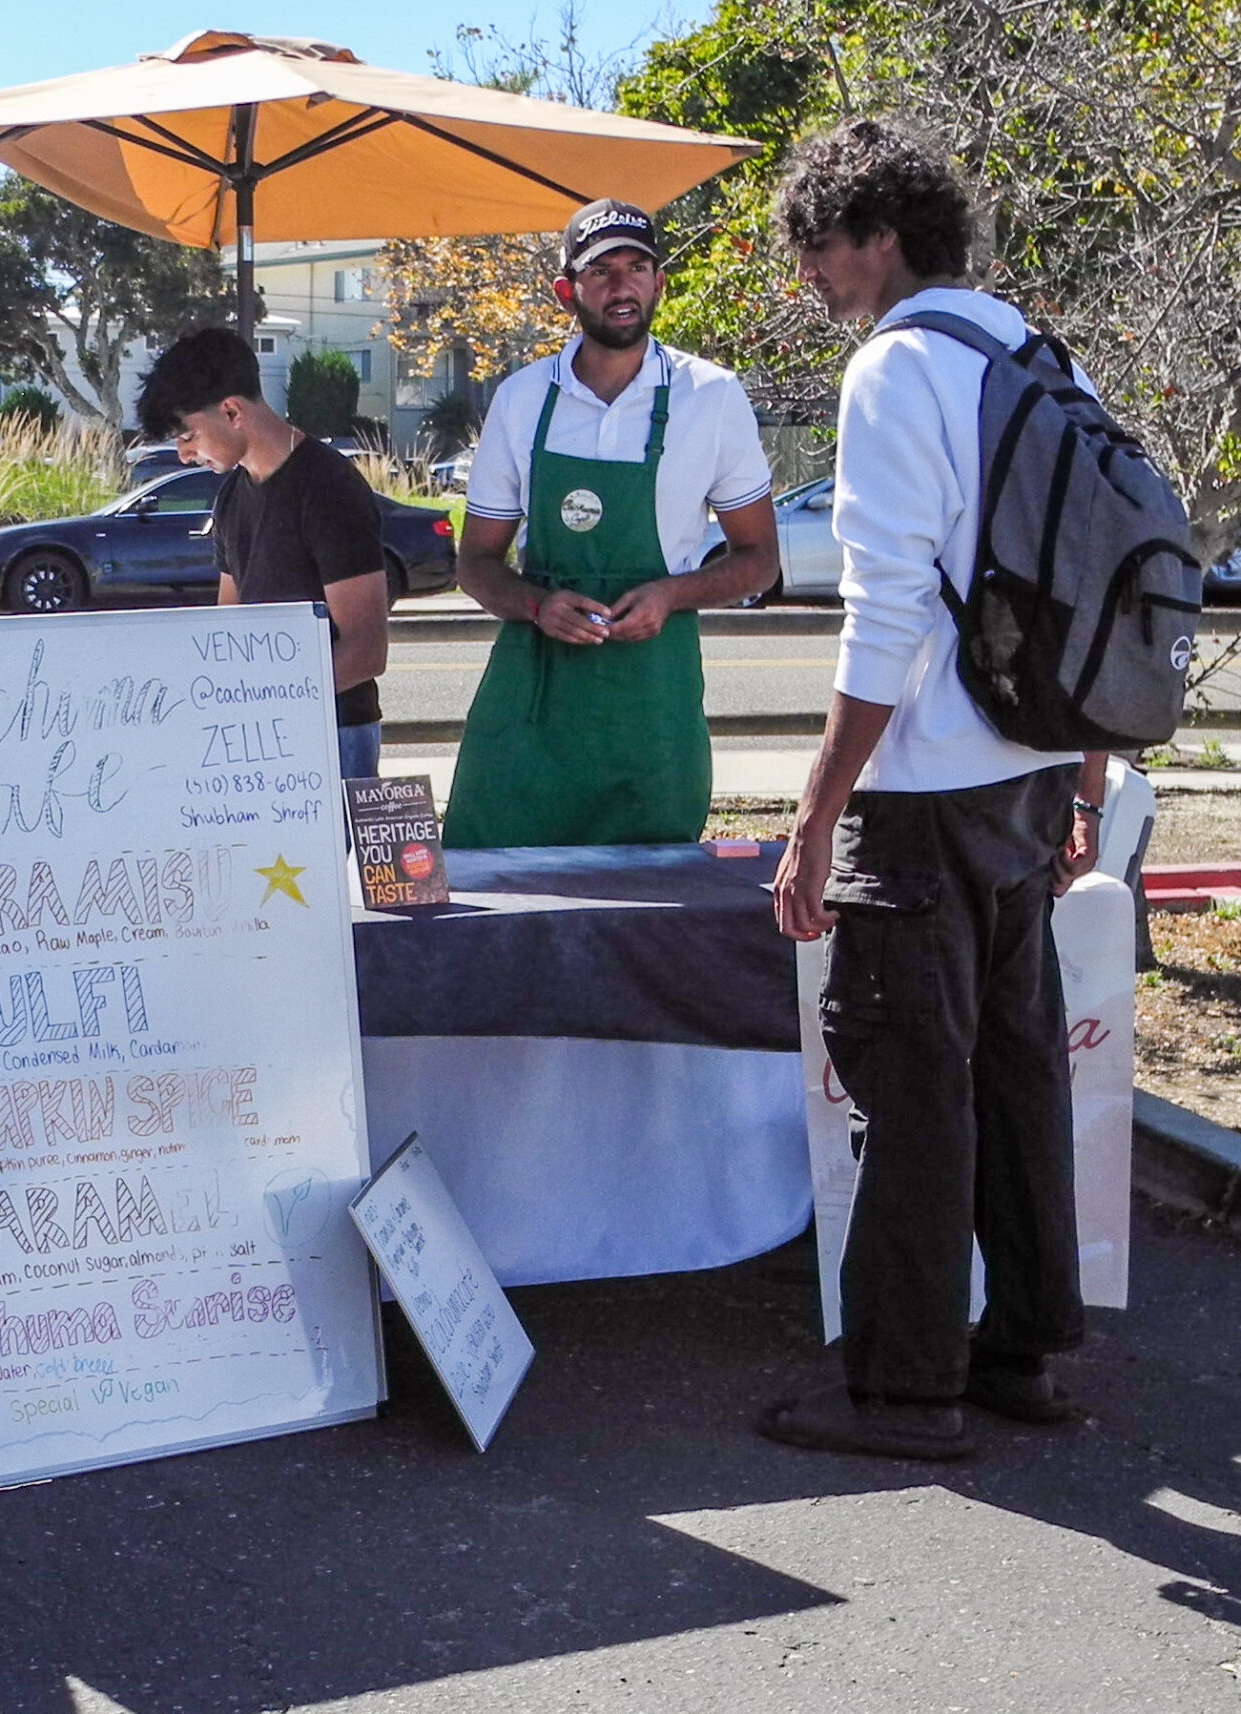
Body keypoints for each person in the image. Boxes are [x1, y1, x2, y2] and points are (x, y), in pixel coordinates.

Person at [764, 119, 1107, 1460]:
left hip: (922, 793)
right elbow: (1084, 584)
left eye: (820, 250)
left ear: (880, 240)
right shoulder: (1034, 350)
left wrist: (814, 811)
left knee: (910, 1080)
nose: (812, 278)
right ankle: (1020, 1347)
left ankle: (903, 1390)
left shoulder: (897, 368)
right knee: (1018, 1070)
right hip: (1028, 772)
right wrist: (1083, 768)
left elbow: (886, 618)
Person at [442, 199, 780, 849]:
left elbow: (758, 558)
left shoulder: (710, 397)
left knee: (647, 916)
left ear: (659, 283)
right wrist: (538, 605)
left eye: (637, 266)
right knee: (501, 897)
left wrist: (670, 595)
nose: (621, 285)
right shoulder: (520, 400)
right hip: (532, 707)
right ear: (567, 291)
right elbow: (475, 563)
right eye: (600, 271)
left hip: (652, 711)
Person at [136, 327, 390, 780]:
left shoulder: (328, 487)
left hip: (333, 730)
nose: (182, 455)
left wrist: (270, 701)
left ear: (232, 410)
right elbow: (229, 628)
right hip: (257, 734)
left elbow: (366, 649)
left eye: (188, 434)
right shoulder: (231, 496)